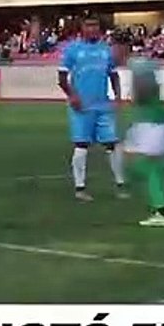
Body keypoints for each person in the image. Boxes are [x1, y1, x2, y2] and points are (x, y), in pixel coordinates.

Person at [58, 17, 128, 201]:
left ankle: (120, 184)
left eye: (95, 25)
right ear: (82, 27)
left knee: (112, 144)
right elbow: (62, 78)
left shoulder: (106, 50)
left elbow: (113, 75)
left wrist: (118, 97)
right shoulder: (72, 49)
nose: (93, 28)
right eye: (88, 25)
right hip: (82, 106)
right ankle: (80, 188)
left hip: (103, 105)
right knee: (81, 145)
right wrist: (73, 96)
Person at [124, 58, 164, 227]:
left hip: (154, 125)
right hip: (150, 124)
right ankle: (160, 205)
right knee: (140, 163)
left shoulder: (146, 87)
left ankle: (162, 211)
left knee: (147, 166)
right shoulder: (149, 86)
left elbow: (141, 97)